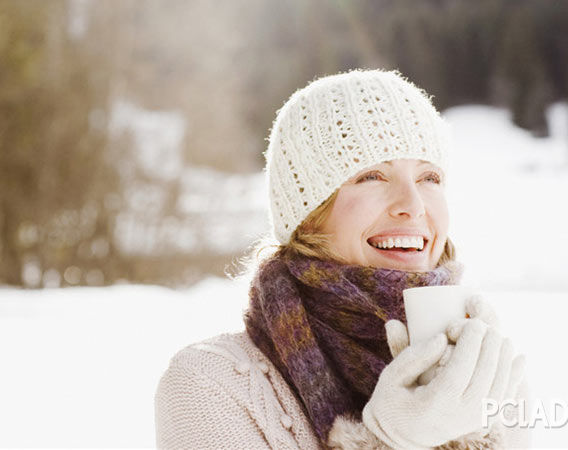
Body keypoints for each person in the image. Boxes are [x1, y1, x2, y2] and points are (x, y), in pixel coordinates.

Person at [154, 69, 530, 449]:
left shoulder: (489, 384)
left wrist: (476, 436)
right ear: (308, 214)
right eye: (372, 176)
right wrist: (387, 442)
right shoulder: (209, 386)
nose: (413, 206)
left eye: (429, 177)